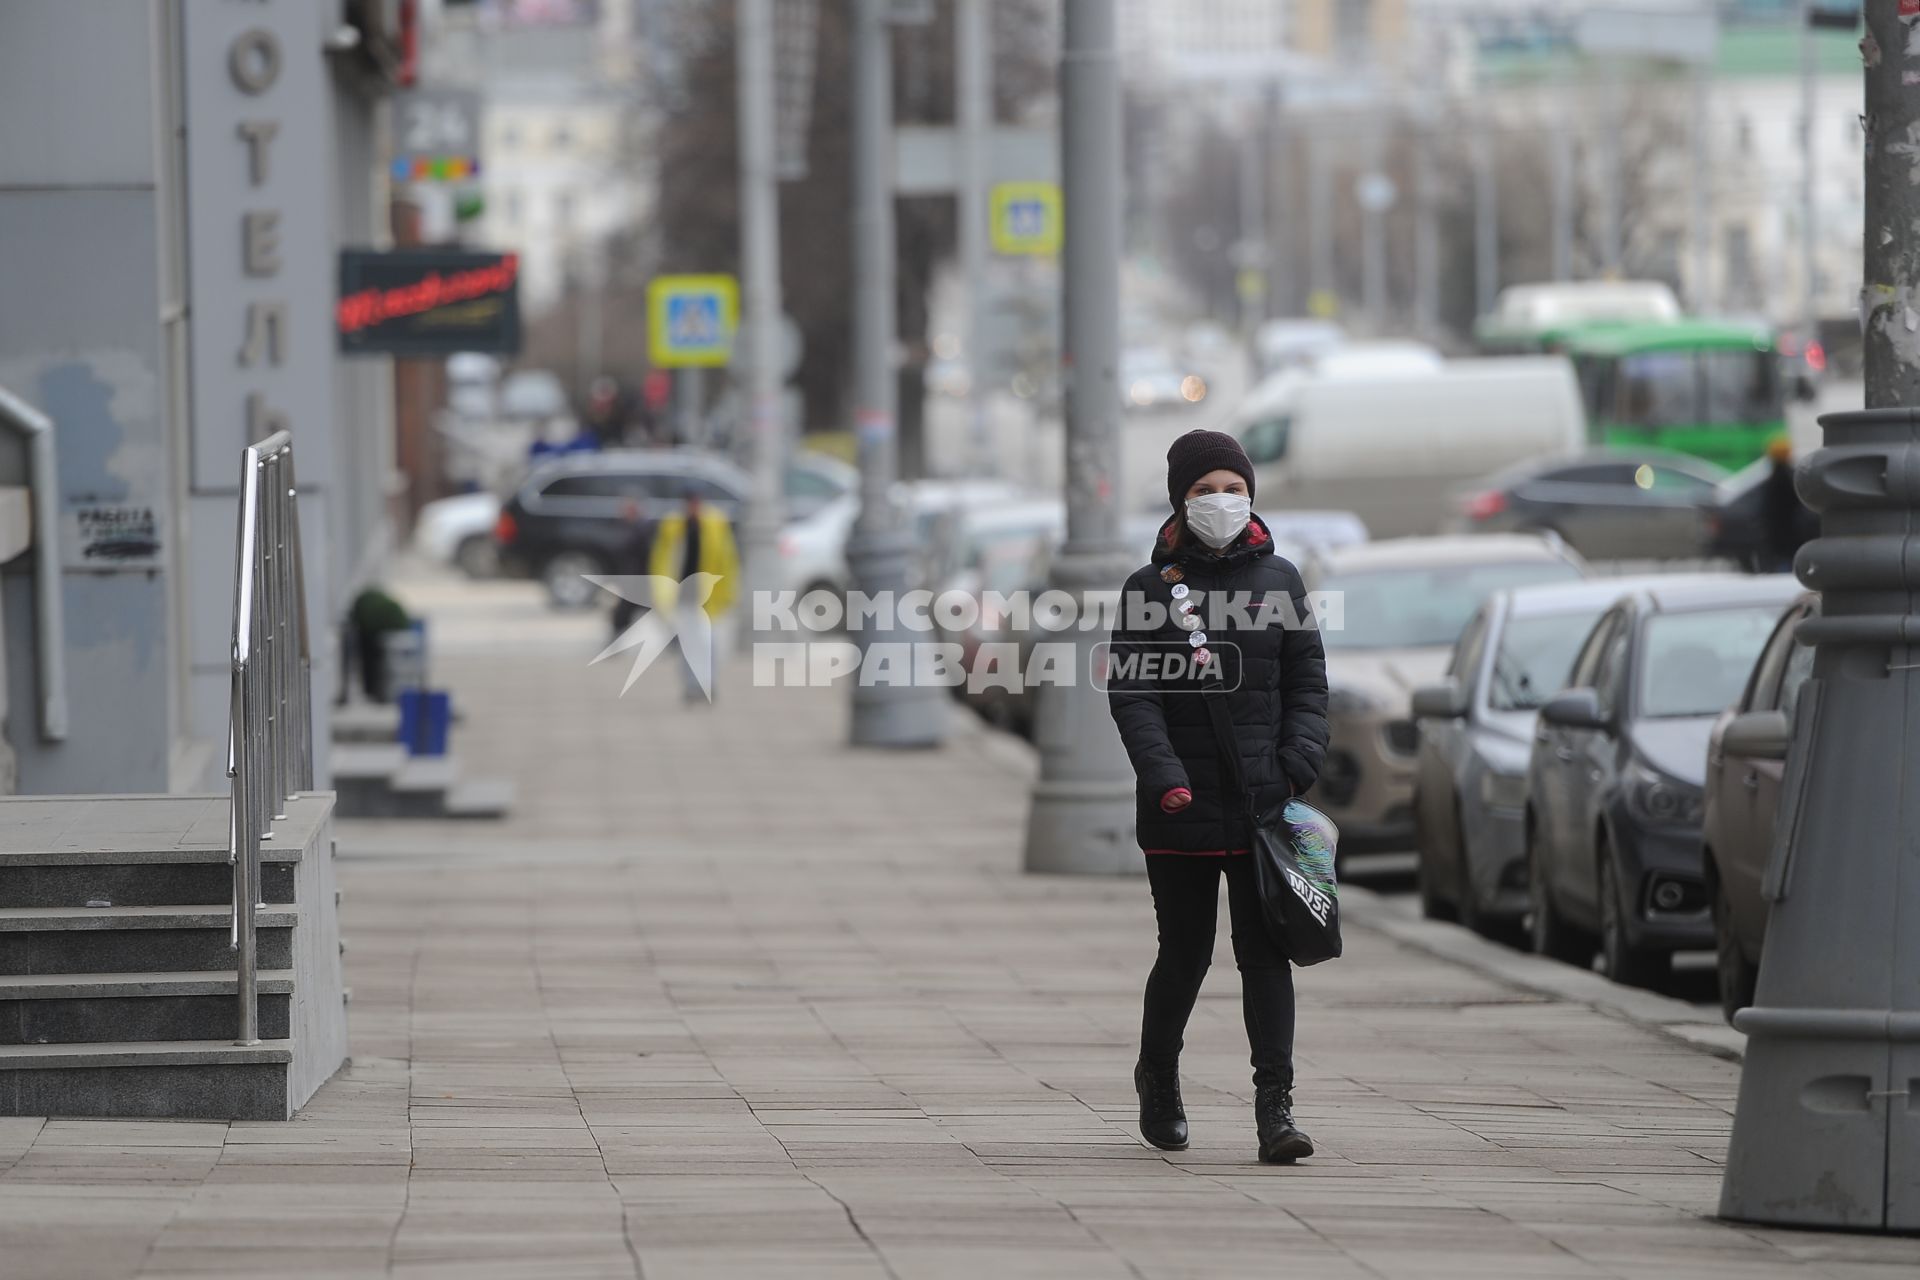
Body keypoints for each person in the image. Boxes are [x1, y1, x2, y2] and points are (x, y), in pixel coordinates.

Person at [1107, 429, 1330, 1164]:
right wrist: (1165, 776)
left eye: (1232, 488)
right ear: (1180, 499)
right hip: (1180, 808)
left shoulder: (1282, 582)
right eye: (1205, 491)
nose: (1221, 502)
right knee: (1187, 952)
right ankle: (1159, 1078)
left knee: (1266, 954)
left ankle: (1276, 1111)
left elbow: (1306, 684)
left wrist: (1298, 763)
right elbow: (1134, 695)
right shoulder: (1149, 591)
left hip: (1266, 803)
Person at [648, 493, 741, 702]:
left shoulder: (715, 524)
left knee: (709, 641)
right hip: (682, 595)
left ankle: (707, 683)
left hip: (709, 596)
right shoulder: (672, 526)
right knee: (688, 642)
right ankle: (691, 685)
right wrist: (660, 591)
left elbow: (728, 560)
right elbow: (661, 559)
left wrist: (729, 591)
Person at [1758, 437, 1815, 573]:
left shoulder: (1776, 478)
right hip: (1792, 533)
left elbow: (1768, 509)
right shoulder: (1791, 476)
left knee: (1783, 566)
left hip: (1780, 535)